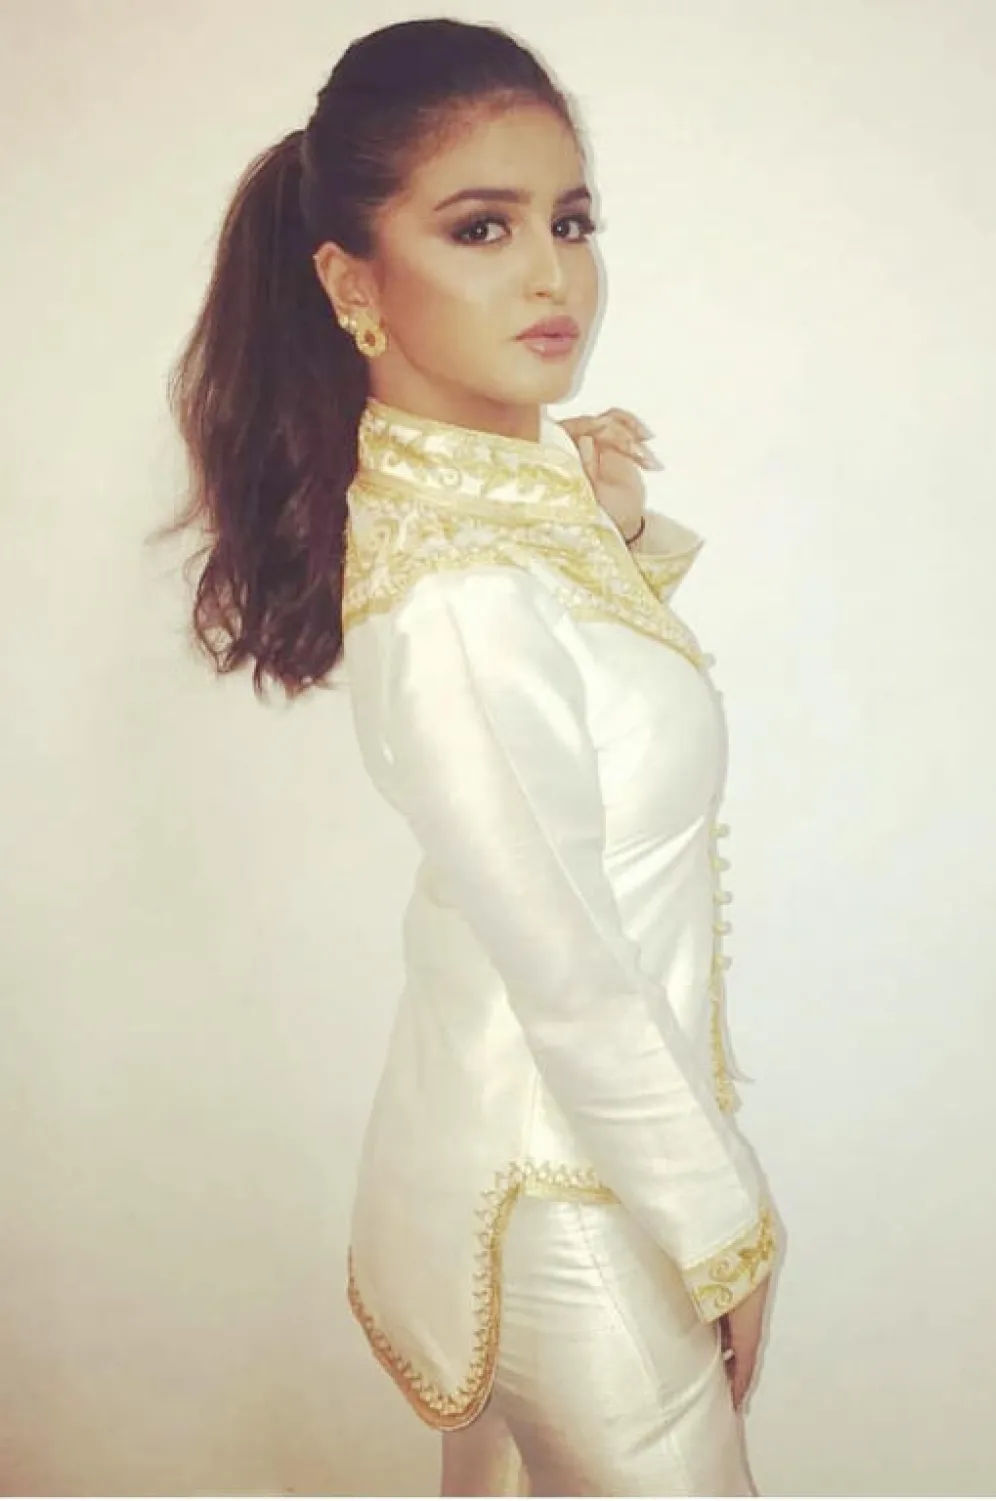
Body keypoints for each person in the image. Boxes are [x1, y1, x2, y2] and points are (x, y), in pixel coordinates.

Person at [163, 17, 780, 1496]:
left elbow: (584, 761)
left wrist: (608, 532)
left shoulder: (487, 523)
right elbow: (566, 964)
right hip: (565, 1198)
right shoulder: (456, 588)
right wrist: (725, 1227)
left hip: (557, 1163)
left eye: (571, 220)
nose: (553, 274)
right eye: (482, 227)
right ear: (350, 282)